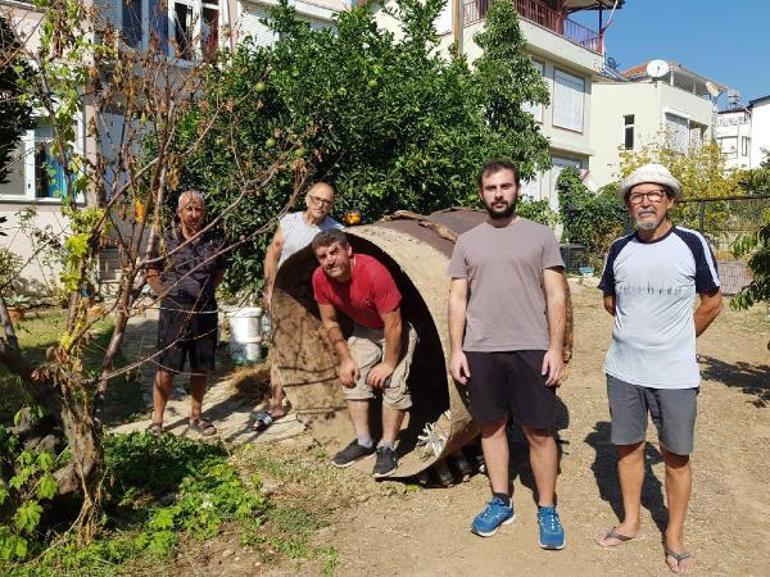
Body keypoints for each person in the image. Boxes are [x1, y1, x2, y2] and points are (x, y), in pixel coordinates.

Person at [596, 163, 723, 574]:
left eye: (654, 194)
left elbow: (712, 301)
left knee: (675, 456)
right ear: (628, 205)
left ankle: (674, 536)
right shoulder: (619, 248)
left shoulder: (691, 242)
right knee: (629, 448)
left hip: (674, 374)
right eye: (637, 196)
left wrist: (679, 339)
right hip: (624, 370)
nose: (645, 201)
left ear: (669, 200)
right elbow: (610, 301)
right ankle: (631, 522)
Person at [448, 159, 568, 549]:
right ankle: (501, 500)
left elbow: (556, 294)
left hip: (532, 347)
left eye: (505, 187)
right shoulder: (468, 242)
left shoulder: (540, 235)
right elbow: (457, 297)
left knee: (538, 430)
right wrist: (456, 349)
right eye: (490, 188)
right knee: (491, 427)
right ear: (481, 194)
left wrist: (555, 348)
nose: (498, 194)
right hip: (481, 349)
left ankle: (547, 507)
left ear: (518, 189)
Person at [311, 229, 417, 478]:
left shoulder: (373, 273)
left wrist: (389, 364)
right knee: (352, 377)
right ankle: (364, 441)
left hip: (396, 327)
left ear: (348, 251)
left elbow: (395, 325)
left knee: (394, 383)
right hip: (365, 328)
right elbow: (330, 323)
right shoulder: (320, 278)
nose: (329, 260)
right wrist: (346, 359)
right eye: (323, 256)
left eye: (334, 252)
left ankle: (387, 446)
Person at [256, 182, 343, 430]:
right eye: (317, 199)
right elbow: (272, 254)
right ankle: (276, 404)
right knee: (281, 348)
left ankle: (316, 400)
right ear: (307, 199)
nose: (321, 205)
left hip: (316, 297)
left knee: (320, 344)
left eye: (327, 202)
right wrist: (269, 288)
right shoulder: (290, 222)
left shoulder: (335, 229)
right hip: (285, 294)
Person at [145, 190, 226, 436]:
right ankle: (157, 421)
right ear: (179, 213)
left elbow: (219, 273)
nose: (193, 214)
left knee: (201, 366)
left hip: (205, 311)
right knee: (166, 367)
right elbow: (151, 272)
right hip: (174, 311)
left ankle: (196, 417)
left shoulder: (215, 240)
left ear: (204, 213)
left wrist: (204, 295)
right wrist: (167, 296)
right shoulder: (164, 240)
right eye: (188, 209)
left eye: (198, 209)